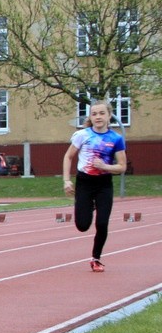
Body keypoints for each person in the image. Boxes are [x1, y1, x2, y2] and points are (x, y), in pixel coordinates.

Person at [62, 100, 127, 273]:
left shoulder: (116, 139)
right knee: (82, 225)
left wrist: (105, 166)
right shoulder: (82, 135)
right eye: (94, 114)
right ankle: (88, 205)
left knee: (102, 223)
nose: (98, 117)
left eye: (102, 113)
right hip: (84, 183)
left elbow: (122, 167)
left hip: (104, 184)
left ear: (109, 116)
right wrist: (67, 180)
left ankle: (96, 258)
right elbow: (68, 157)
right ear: (91, 117)